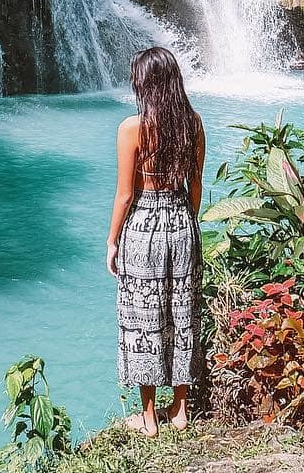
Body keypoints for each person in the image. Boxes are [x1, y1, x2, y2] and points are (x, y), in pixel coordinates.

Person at [106, 46, 205, 436]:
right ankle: (180, 410)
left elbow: (125, 195)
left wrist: (112, 240)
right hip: (181, 220)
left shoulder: (133, 128)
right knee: (182, 315)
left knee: (142, 320)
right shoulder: (192, 123)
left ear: (145, 85)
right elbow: (195, 185)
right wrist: (185, 222)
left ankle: (148, 417)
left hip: (142, 225)